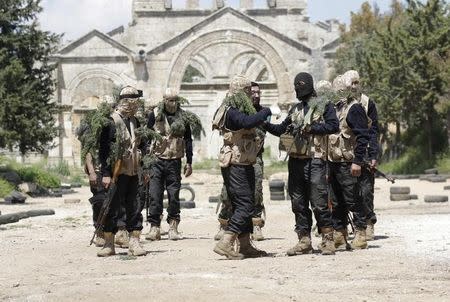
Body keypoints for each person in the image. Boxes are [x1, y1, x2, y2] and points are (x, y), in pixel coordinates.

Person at [264, 72, 339, 256]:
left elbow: (333, 126)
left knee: (319, 201)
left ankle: (328, 240)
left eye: (301, 85)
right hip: (296, 161)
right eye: (296, 86)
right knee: (298, 202)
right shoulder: (295, 109)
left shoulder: (324, 106)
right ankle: (304, 240)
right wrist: (263, 121)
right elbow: (281, 129)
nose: (298, 89)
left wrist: (311, 129)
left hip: (315, 160)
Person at [212, 75, 272, 260]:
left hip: (245, 162)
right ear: (241, 91)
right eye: (248, 91)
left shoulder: (237, 108)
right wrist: (266, 111)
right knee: (245, 204)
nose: (250, 95)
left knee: (244, 203)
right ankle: (226, 242)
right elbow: (246, 122)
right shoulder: (231, 110)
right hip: (236, 164)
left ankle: (245, 245)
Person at [97, 85, 146, 257]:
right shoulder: (111, 122)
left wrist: (144, 168)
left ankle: (134, 242)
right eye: (133, 101)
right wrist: (105, 174)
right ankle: (109, 243)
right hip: (116, 173)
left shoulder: (135, 121)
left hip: (133, 170)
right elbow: (103, 150)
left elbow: (143, 145)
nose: (135, 105)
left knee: (135, 206)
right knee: (112, 206)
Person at [328, 73, 371, 250]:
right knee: (336, 201)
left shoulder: (355, 109)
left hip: (349, 163)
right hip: (334, 162)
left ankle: (361, 234)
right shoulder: (334, 109)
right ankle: (340, 234)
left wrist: (357, 162)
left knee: (353, 199)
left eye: (340, 90)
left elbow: (363, 137)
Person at [145, 89, 195, 241]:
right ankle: (155, 227)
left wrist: (189, 162)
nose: (173, 104)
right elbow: (147, 137)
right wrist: (146, 162)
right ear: (164, 100)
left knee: (174, 196)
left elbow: (188, 140)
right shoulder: (154, 114)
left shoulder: (183, 116)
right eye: (170, 100)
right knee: (154, 194)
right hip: (157, 160)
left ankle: (173, 226)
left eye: (175, 100)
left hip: (174, 161)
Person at [342, 70, 379, 241]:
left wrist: (373, 155)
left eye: (357, 82)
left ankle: (369, 223)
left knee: (366, 190)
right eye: (352, 83)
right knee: (349, 192)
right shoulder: (341, 104)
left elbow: (373, 131)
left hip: (364, 153)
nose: (354, 86)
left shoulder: (367, 103)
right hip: (346, 154)